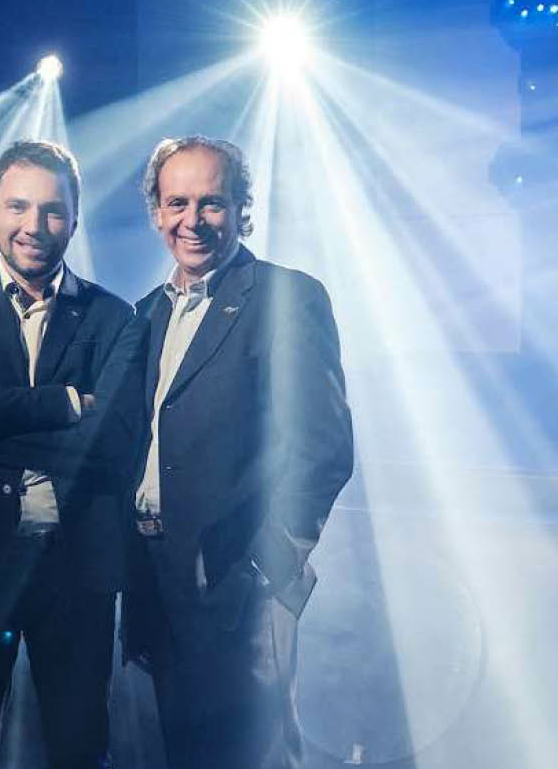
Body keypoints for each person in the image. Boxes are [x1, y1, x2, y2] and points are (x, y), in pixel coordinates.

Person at [0, 139, 146, 769]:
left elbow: (114, 441)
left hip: (76, 568)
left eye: (52, 210)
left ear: (74, 218)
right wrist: (67, 404)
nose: (34, 226)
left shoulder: (115, 317)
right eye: (18, 206)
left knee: (79, 747)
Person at [123, 135, 354, 768]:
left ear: (242, 209)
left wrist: (267, 561)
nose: (192, 220)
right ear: (157, 212)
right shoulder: (143, 315)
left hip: (243, 580)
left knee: (253, 755)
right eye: (177, 203)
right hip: (155, 576)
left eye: (212, 202)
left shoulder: (288, 296)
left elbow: (325, 446)